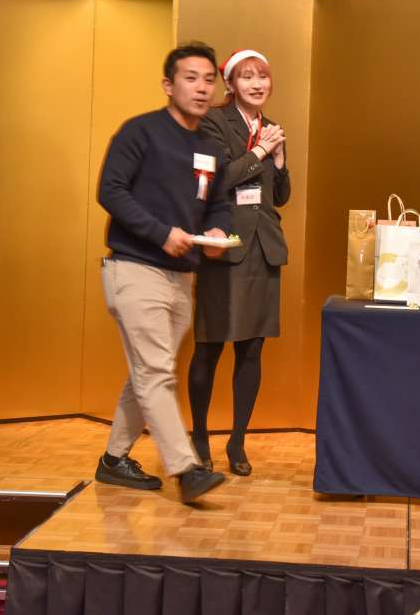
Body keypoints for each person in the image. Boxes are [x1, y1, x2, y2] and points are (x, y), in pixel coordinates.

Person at [94, 41, 231, 504]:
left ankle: (113, 460)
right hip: (134, 268)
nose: (201, 88)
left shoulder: (211, 146)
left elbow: (219, 204)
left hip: (182, 276)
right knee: (155, 371)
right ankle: (186, 469)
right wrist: (159, 233)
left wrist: (218, 231)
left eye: (209, 80)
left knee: (148, 371)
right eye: (191, 78)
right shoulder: (141, 132)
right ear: (168, 85)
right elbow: (111, 191)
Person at [190, 49, 291, 477]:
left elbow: (279, 197)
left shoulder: (271, 127)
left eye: (262, 77)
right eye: (247, 77)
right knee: (210, 347)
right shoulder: (214, 122)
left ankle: (237, 441)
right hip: (225, 245)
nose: (257, 84)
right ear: (230, 84)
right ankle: (198, 436)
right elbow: (215, 181)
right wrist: (262, 152)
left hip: (264, 249)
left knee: (252, 350)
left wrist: (280, 162)